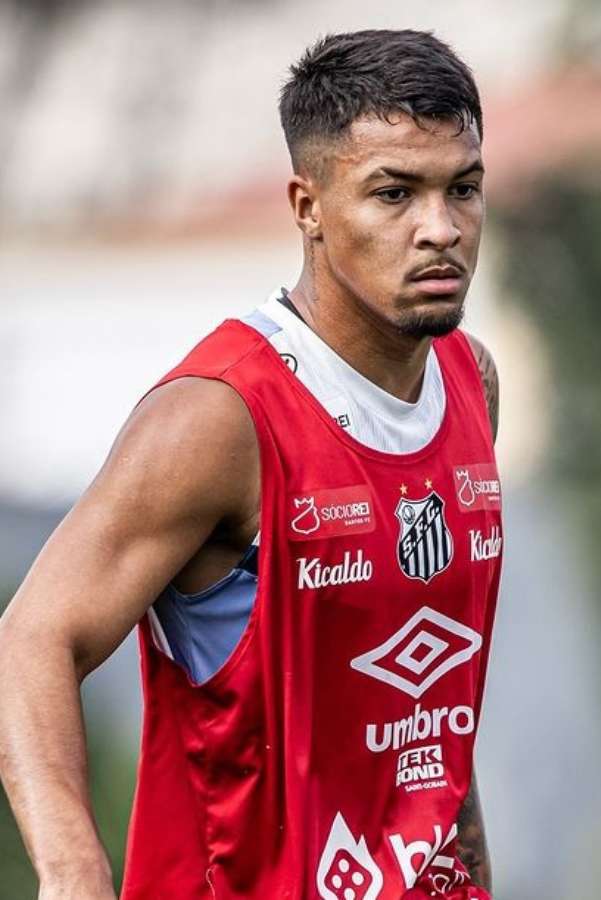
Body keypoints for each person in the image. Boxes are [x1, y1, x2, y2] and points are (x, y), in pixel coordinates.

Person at [0, 29, 503, 899]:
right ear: (308, 206)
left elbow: (430, 718)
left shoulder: (471, 383)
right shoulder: (218, 418)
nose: (441, 229)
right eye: (394, 194)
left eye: (462, 188)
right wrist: (74, 874)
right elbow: (31, 640)